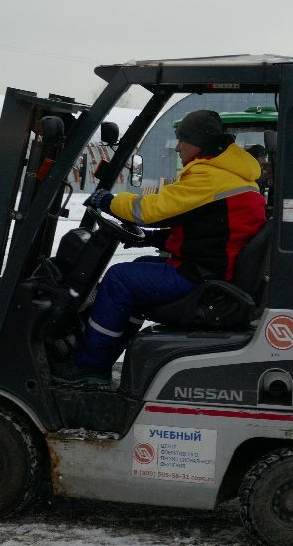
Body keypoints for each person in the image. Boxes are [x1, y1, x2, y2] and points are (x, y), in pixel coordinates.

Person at [55, 109, 266, 386]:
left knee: (119, 279)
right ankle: (106, 348)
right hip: (213, 270)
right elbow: (209, 233)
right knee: (139, 267)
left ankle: (89, 367)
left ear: (200, 142)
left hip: (204, 278)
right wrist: (152, 239)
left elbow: (149, 209)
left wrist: (106, 200)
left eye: (183, 139)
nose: (178, 147)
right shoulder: (234, 175)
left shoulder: (210, 176)